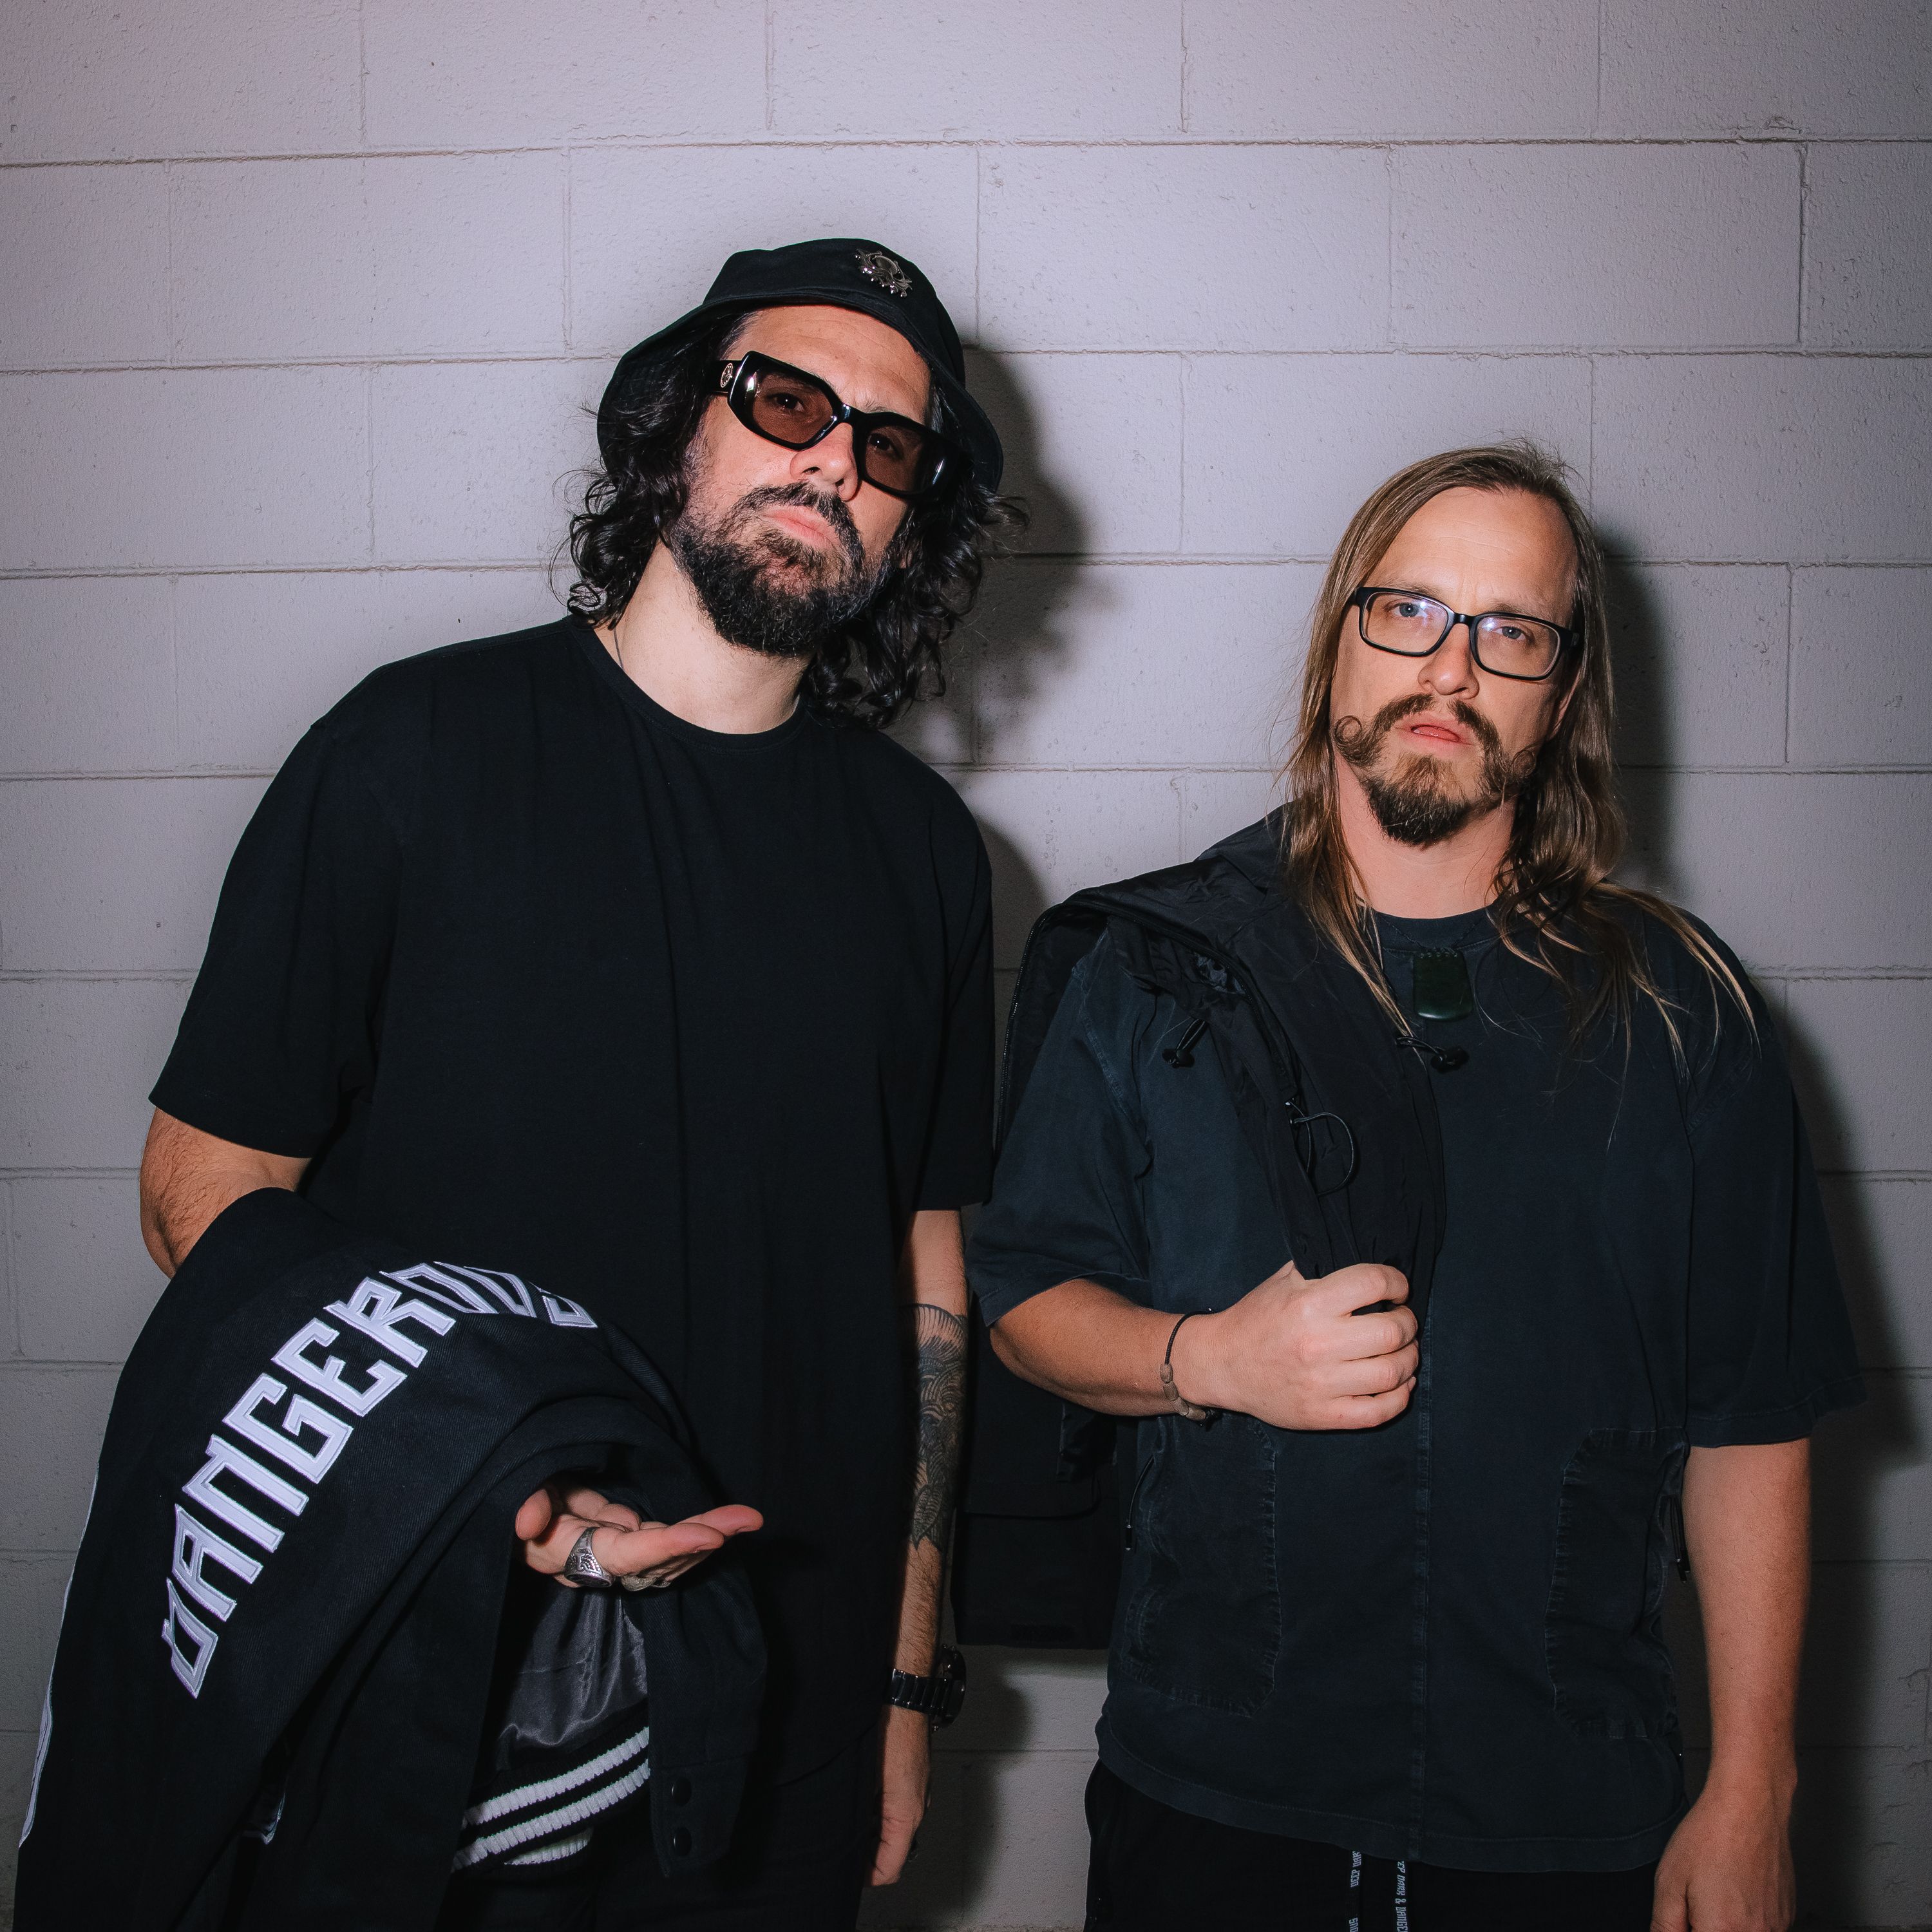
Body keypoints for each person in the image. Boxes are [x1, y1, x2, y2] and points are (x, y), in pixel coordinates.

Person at [137, 236, 1015, 1927]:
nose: (835, 459)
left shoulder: (925, 852)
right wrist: (473, 1464)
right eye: (786, 400)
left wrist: (906, 1678)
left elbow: (927, 1282)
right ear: (675, 427)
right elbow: (203, 1191)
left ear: (913, 522)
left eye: (890, 443)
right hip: (446, 1657)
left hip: (792, 1704)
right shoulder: (410, 751)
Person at [964, 445, 1862, 1932]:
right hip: (1220, 1796)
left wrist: (1754, 1788)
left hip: (1565, 1816)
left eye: (1513, 631)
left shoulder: (1681, 1013)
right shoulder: (1154, 971)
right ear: (1341, 643)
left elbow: (1751, 1426)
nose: (1452, 667)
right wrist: (1208, 1359)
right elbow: (1025, 1300)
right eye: (1412, 613)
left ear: (1561, 696)